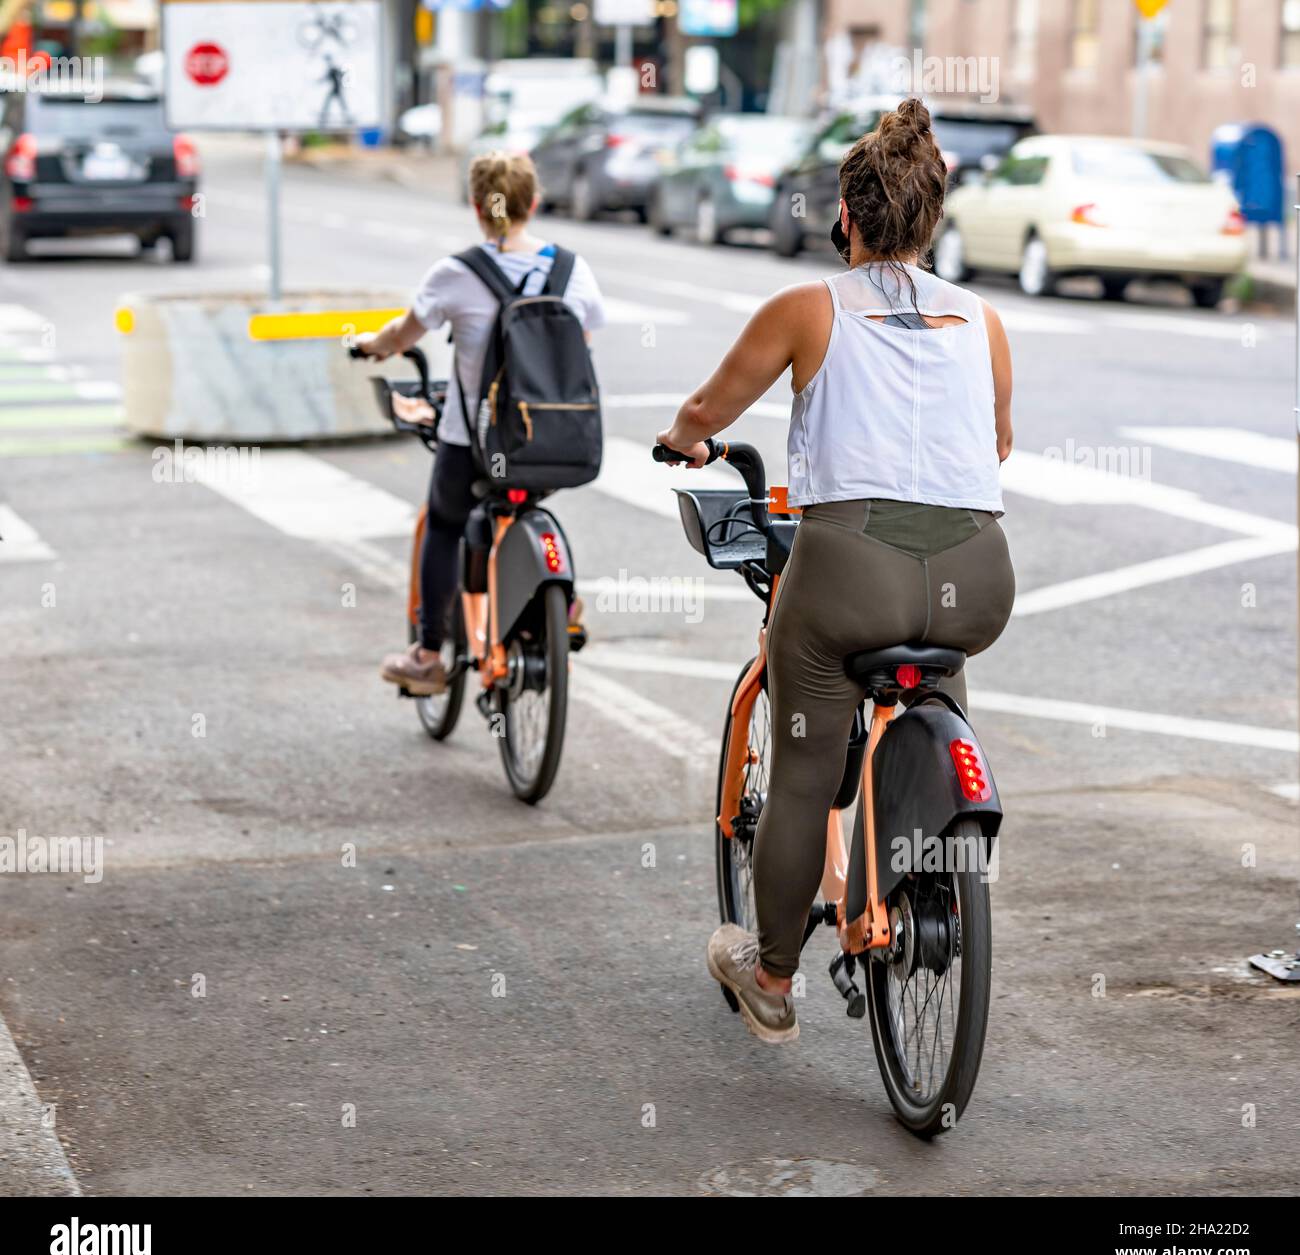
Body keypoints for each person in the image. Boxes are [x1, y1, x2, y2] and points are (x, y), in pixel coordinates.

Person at [655, 98, 1016, 1044]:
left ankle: (772, 974)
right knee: (934, 671)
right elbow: (998, 445)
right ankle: (924, 844)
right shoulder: (984, 322)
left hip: (848, 571)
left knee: (808, 764)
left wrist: (684, 442)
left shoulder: (807, 309)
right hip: (977, 575)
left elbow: (707, 405)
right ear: (932, 221)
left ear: (845, 217)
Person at [355, 152, 606, 694]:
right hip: (549, 443)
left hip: (472, 444)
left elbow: (403, 335)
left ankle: (426, 655)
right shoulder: (573, 271)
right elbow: (578, 349)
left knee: (444, 524)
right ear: (532, 203)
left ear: (476, 207)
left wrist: (372, 347)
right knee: (527, 503)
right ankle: (563, 601)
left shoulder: (455, 273)